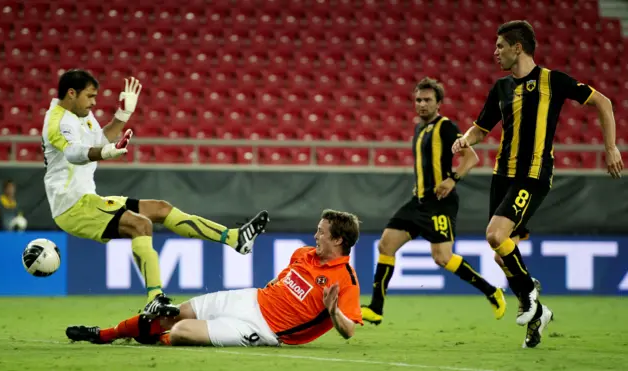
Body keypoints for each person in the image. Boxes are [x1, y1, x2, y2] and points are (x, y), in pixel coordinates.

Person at [452, 20, 624, 348]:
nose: (495, 52)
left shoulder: (552, 81)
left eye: (501, 46)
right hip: (502, 176)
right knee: (502, 255)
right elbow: (481, 128)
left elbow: (604, 102)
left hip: (532, 175)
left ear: (518, 47)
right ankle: (538, 314)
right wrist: (465, 138)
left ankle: (529, 294)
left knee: (494, 235)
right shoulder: (500, 88)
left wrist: (611, 146)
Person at [42, 69, 269, 317]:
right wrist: (107, 152)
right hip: (72, 206)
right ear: (71, 93)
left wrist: (123, 114)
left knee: (161, 208)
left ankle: (235, 238)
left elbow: (99, 138)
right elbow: (74, 153)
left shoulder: (81, 115)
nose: (94, 102)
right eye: (90, 96)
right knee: (140, 225)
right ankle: (155, 298)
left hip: (88, 198)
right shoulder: (57, 121)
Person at [65, 209, 363, 347]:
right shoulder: (304, 254)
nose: (316, 235)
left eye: (322, 232)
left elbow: (348, 331)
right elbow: (284, 282)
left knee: (181, 331)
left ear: (338, 240)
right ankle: (103, 335)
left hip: (264, 329)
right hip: (251, 298)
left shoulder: (345, 279)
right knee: (172, 312)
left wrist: (332, 310)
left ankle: (151, 339)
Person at [361, 77, 506, 325]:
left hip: (440, 202)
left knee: (442, 257)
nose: (422, 104)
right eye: (418, 99)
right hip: (418, 201)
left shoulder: (446, 127)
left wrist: (452, 179)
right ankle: (376, 308)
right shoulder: (419, 128)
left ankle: (492, 291)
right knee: (386, 244)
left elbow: (471, 158)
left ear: (439, 103)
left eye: (428, 100)